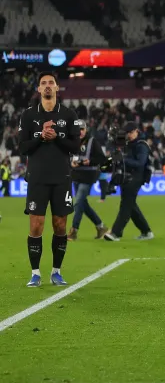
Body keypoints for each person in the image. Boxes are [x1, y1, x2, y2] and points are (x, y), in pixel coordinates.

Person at [18, 71, 81, 287]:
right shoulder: (28, 116)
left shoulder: (69, 114)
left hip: (61, 178)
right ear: (38, 89)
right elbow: (22, 147)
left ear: (57, 88)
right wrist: (40, 137)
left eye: (50, 83)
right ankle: (35, 273)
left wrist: (58, 136)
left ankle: (56, 271)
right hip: (37, 178)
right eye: (43, 83)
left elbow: (76, 146)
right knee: (36, 225)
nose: (47, 86)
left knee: (60, 225)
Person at [103, 122, 155, 242]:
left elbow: (140, 164)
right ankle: (146, 231)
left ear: (137, 131)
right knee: (131, 206)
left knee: (126, 205)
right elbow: (115, 153)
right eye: (128, 133)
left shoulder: (142, 145)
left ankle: (115, 233)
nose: (129, 135)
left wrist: (124, 159)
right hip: (126, 177)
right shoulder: (128, 144)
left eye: (131, 132)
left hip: (137, 177)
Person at [68, 120, 108, 241]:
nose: (80, 132)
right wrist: (71, 163)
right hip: (76, 175)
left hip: (88, 175)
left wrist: (90, 161)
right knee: (83, 204)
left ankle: (74, 231)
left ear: (86, 129)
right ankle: (101, 227)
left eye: (82, 129)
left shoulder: (92, 141)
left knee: (78, 201)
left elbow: (102, 158)